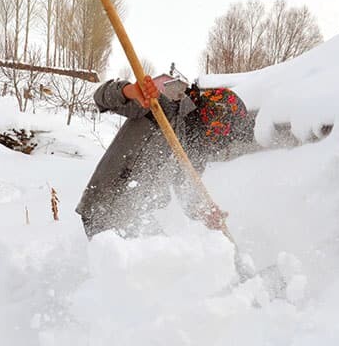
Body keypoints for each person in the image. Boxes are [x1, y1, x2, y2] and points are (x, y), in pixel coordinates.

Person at [76, 73, 253, 238]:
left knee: (170, 255)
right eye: (223, 132)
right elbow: (101, 97)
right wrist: (129, 91)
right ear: (214, 118)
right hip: (107, 207)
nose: (220, 142)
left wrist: (203, 213)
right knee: (129, 256)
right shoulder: (161, 109)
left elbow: (187, 193)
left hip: (141, 217)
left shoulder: (195, 148)